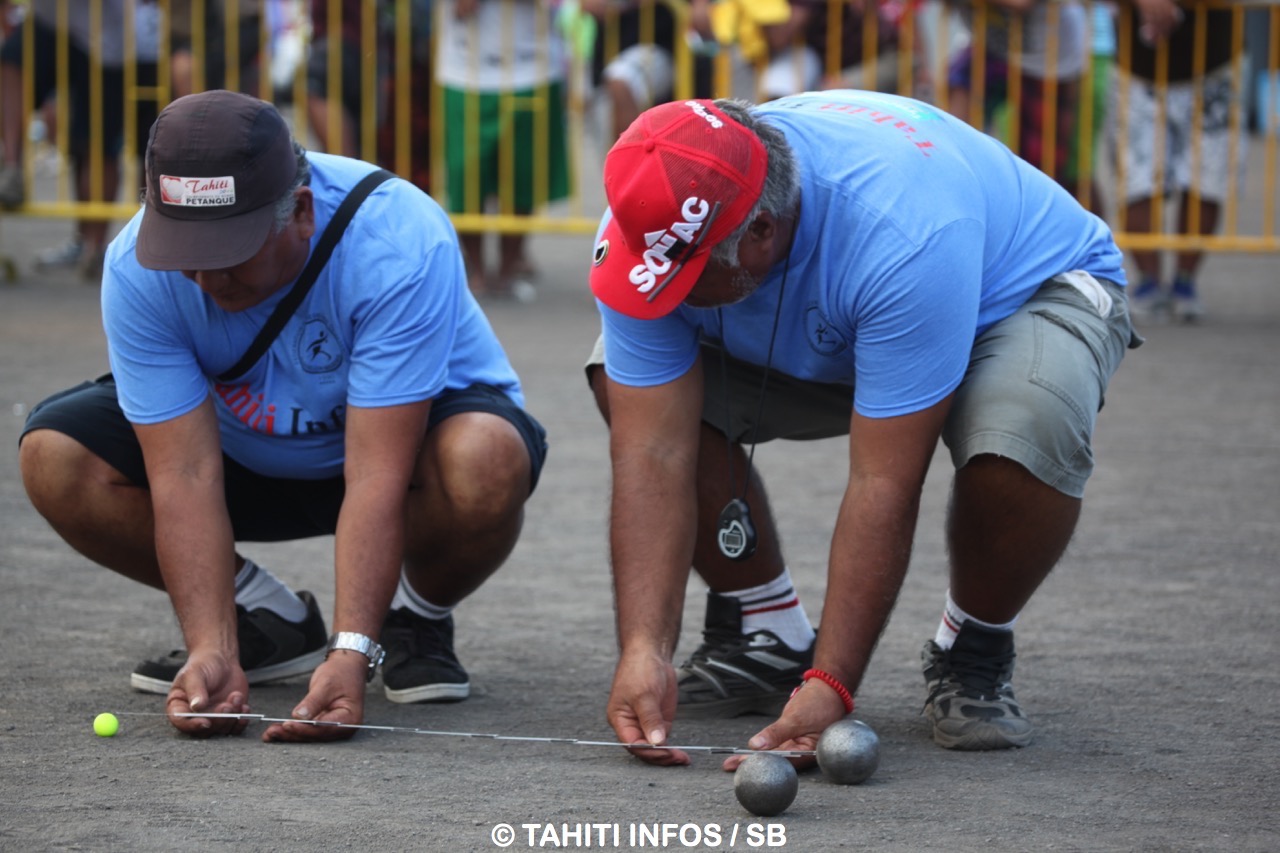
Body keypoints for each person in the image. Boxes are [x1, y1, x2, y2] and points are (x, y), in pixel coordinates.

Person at [584, 92, 1140, 766]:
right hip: (853, 319)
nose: (663, 289)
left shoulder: (903, 231)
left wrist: (832, 682)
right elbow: (653, 448)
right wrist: (644, 646)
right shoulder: (658, 214)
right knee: (618, 374)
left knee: (1024, 428)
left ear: (761, 231)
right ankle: (766, 630)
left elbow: (883, 481)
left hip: (1018, 292)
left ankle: (974, 646)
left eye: (689, 274)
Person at [17, 90, 548, 742]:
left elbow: (376, 476)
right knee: (54, 456)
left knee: (486, 458)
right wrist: (210, 645)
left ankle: (413, 618)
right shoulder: (138, 266)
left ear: (300, 212)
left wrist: (352, 649)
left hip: (401, 462)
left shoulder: (397, 237)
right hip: (240, 452)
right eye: (187, 252)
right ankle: (262, 622)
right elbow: (183, 475)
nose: (206, 282)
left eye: (230, 253)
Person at [1110, 0, 1246, 322]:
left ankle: (1185, 282)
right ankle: (1149, 283)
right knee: (1136, 180)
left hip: (1215, 65)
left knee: (1207, 180)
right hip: (1137, 69)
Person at [435, 0, 571, 300]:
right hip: (463, 69)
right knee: (465, 175)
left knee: (524, 176)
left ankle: (507, 270)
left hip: (532, 67)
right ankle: (478, 271)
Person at [0, 0, 127, 280]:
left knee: (97, 144)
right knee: (12, 60)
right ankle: (12, 168)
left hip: (105, 37)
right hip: (51, 20)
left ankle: (93, 249)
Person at [944, 0, 1089, 194]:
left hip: (1050, 59)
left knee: (1041, 165)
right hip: (997, 47)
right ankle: (957, 182)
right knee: (953, 133)